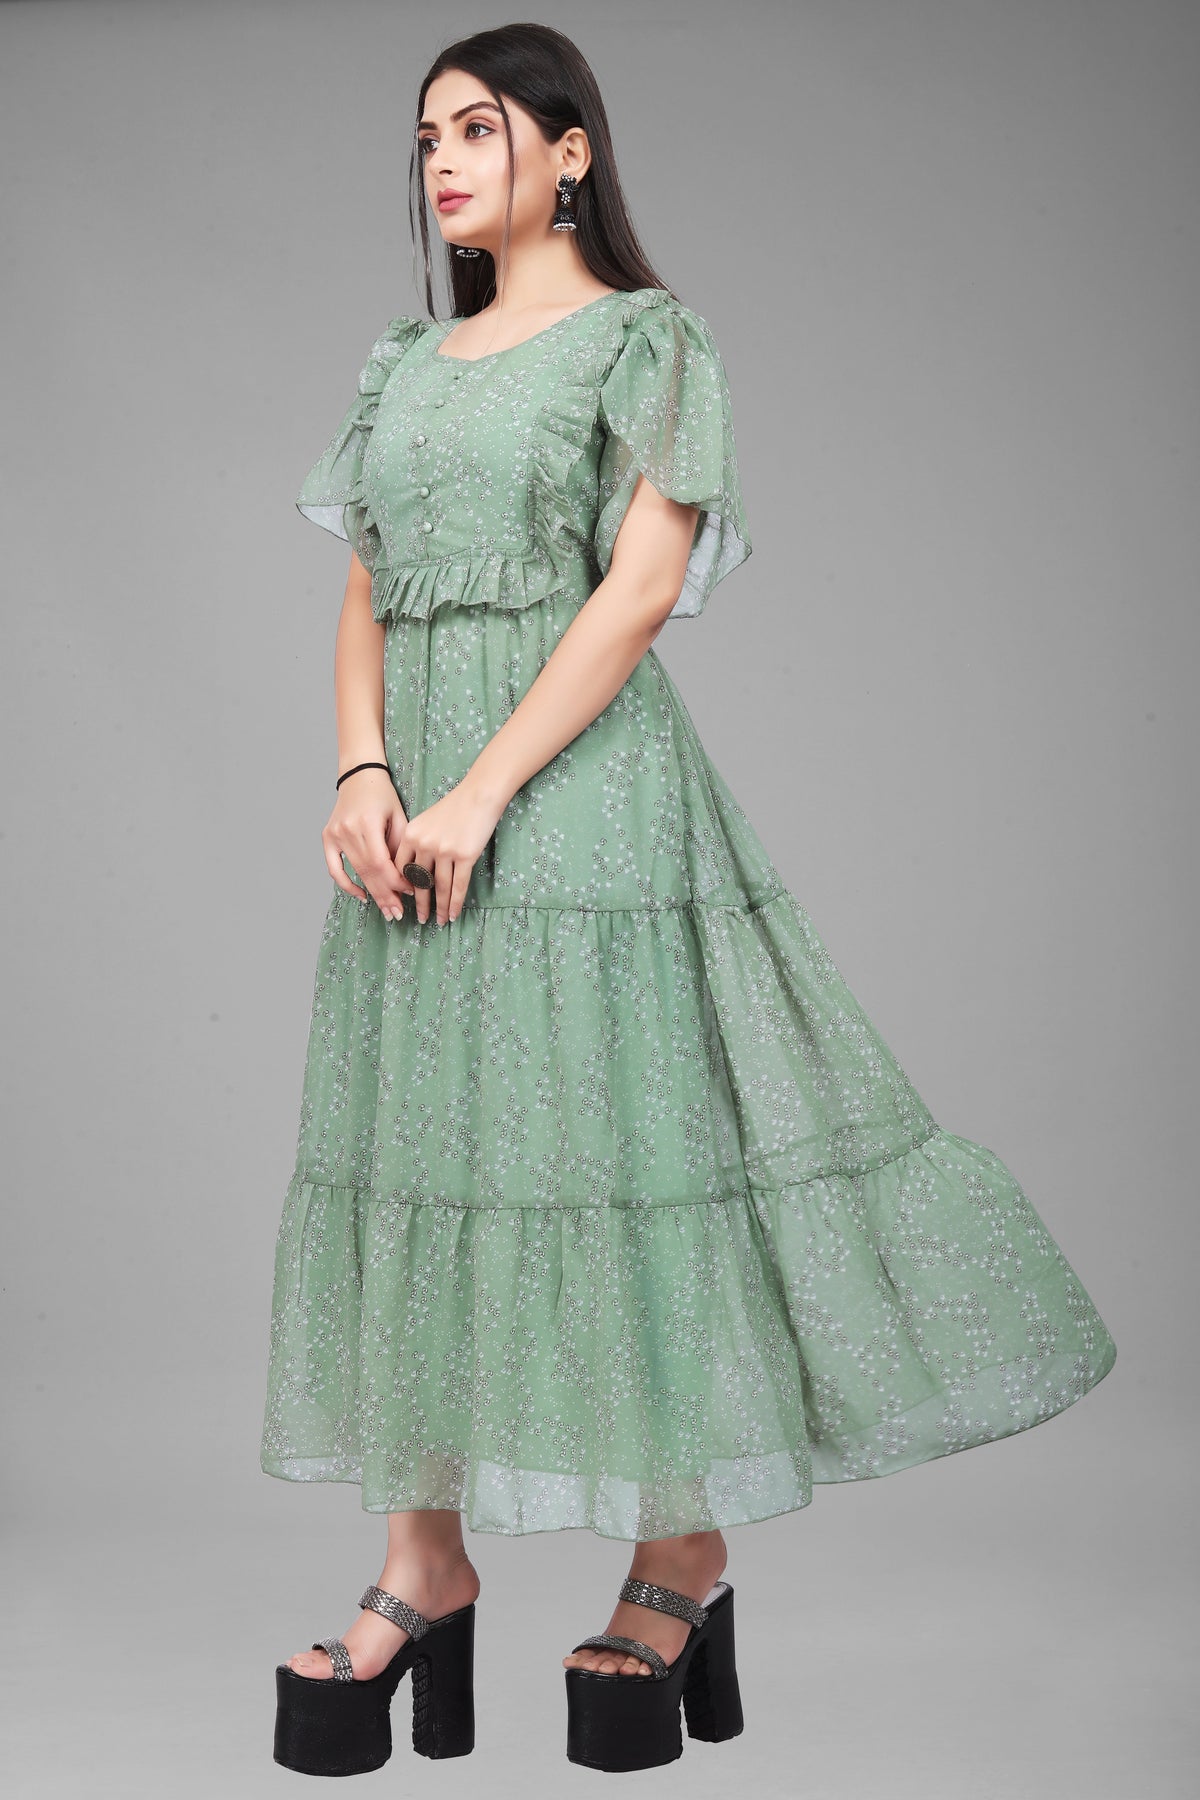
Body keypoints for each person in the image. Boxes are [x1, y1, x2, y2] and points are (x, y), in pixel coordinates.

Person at [262, 21, 1117, 1778]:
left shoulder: (646, 339)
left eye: (479, 128)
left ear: (570, 150)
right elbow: (366, 587)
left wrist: (482, 793)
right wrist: (362, 773)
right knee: (423, 1153)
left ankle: (680, 1554)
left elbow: (641, 589)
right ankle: (427, 1562)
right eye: (426, 137)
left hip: (574, 801)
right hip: (408, 811)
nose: (444, 162)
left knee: (618, 1162)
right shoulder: (403, 363)